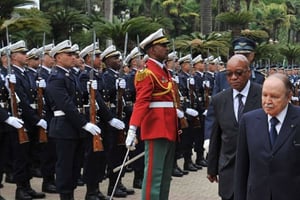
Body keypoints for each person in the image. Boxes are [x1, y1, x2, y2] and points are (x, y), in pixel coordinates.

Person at [125, 28, 179, 200]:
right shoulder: (146, 73)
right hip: (156, 127)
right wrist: (133, 128)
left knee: (164, 174)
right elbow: (141, 102)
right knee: (154, 175)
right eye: (162, 45)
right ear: (151, 50)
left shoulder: (164, 71)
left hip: (169, 126)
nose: (166, 48)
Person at [234, 73, 300, 200]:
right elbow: (241, 168)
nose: (268, 101)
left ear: (289, 97)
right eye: (264, 95)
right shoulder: (249, 121)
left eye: (274, 97)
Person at [207, 54, 262, 200]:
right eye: (229, 74)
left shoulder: (263, 95)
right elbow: (216, 135)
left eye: (238, 73)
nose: (233, 77)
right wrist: (212, 167)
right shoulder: (219, 100)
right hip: (229, 171)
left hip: (256, 171)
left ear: (248, 72)